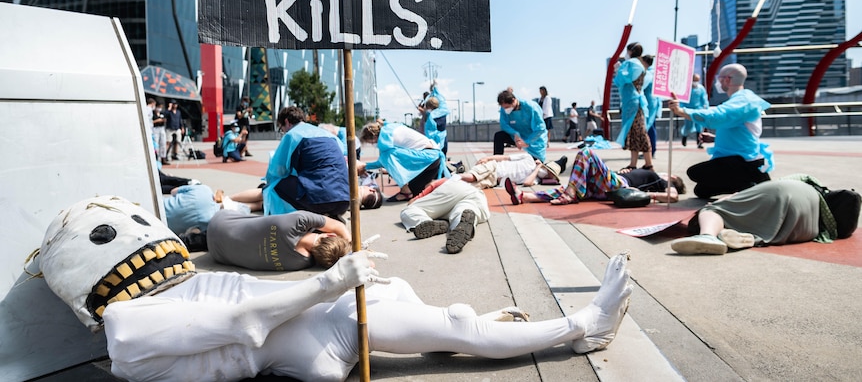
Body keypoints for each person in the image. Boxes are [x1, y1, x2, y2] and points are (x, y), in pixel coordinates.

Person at [39, 195, 634, 382]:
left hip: (303, 320)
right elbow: (241, 322)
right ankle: (584, 328)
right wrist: (329, 283)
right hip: (305, 335)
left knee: (414, 299)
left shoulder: (163, 296)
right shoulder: (125, 330)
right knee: (451, 324)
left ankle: (481, 333)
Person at [670, 176, 854, 255]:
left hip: (789, 203)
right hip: (806, 223)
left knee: (712, 210)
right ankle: (746, 238)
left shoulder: (811, 185)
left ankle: (708, 236)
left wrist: (718, 204)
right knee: (769, 230)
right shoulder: (822, 226)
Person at [668, 63, 774, 199]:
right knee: (701, 190)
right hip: (739, 159)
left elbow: (717, 116)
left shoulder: (743, 101)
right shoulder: (742, 99)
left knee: (695, 173)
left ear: (727, 79)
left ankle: (749, 183)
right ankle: (744, 184)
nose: (718, 82)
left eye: (720, 78)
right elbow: (739, 129)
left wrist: (681, 111)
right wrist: (714, 138)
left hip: (743, 162)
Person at [180, 209, 354, 271]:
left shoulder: (298, 221)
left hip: (219, 223)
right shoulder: (300, 263)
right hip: (218, 254)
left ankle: (192, 234)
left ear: (329, 236)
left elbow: (338, 226)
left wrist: (351, 246)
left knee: (245, 213)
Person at [505, 148, 685, 206]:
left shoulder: (662, 181)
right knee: (573, 186)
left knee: (587, 153)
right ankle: (523, 197)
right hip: (607, 185)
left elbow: (674, 196)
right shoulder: (651, 174)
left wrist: (651, 196)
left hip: (619, 185)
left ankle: (570, 194)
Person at [264, 106, 350, 217]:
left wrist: (267, 186)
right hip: (344, 199)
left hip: (319, 201)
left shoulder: (292, 135)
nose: (283, 132)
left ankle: (310, 218)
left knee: (277, 184)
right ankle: (330, 217)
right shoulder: (329, 135)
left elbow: (278, 170)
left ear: (286, 122)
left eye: (282, 129)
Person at [358, 119, 449, 202]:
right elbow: (395, 123)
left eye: (373, 142)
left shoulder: (384, 140)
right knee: (415, 189)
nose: (375, 145)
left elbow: (383, 161)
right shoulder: (390, 127)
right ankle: (434, 184)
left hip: (428, 159)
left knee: (388, 156)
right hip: (434, 157)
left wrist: (365, 166)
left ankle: (405, 192)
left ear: (373, 137)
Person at [400, 176, 490, 254]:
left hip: (452, 190)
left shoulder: (439, 182)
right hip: (479, 198)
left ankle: (424, 221)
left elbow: (411, 202)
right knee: (463, 211)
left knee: (409, 210)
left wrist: (417, 196)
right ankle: (458, 225)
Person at [613, 43, 653, 171]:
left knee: (640, 132)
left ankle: (649, 164)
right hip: (635, 102)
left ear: (630, 51)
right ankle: (633, 163)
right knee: (635, 133)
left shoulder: (632, 64)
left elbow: (622, 79)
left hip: (633, 103)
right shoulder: (638, 64)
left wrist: (618, 70)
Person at [163, 184, 257, 235]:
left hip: (155, 208)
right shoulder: (210, 221)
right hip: (162, 228)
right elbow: (193, 232)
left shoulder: (204, 190)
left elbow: (173, 191)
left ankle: (259, 204)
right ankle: (259, 205)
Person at [493, 89, 548, 162]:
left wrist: (527, 142)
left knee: (537, 163)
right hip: (517, 136)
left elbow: (540, 128)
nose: (505, 110)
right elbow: (504, 124)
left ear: (513, 100)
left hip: (533, 137)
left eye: (507, 107)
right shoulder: (504, 108)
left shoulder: (531, 107)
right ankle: (496, 162)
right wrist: (515, 134)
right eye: (503, 108)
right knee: (499, 136)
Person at [460, 153, 567, 188]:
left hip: (494, 180)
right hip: (494, 167)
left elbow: (526, 183)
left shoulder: (535, 179)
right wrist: (488, 158)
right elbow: (505, 157)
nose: (546, 174)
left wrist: (538, 169)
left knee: (470, 186)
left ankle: (450, 180)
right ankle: (455, 176)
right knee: (471, 177)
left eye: (549, 175)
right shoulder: (528, 158)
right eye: (547, 171)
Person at [418, 83, 450, 155]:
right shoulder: (442, 113)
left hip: (435, 144)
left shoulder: (431, 116)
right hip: (443, 140)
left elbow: (429, 131)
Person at [680, 74, 709, 148]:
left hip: (698, 109)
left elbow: (704, 99)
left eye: (697, 80)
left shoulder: (701, 88)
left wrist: (705, 107)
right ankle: (684, 137)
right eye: (694, 80)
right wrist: (681, 109)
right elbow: (682, 100)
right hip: (688, 110)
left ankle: (699, 142)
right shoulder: (687, 89)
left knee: (699, 126)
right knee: (688, 126)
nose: (695, 82)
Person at [641, 55, 662, 158]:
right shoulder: (654, 72)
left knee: (648, 128)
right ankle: (650, 150)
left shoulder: (648, 73)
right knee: (650, 127)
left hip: (649, 104)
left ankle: (649, 151)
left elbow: (640, 86)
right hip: (653, 103)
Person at [151, 99, 168, 165]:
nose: (160, 108)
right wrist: (157, 120)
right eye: (159, 107)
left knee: (163, 143)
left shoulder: (162, 113)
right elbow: (151, 121)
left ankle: (163, 158)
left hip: (162, 128)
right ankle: (156, 158)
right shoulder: (152, 113)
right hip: (155, 128)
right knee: (156, 143)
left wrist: (163, 120)